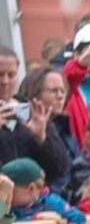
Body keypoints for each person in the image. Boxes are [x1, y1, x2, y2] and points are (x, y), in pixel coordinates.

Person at [2, 55, 72, 186]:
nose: (5, 81)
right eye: (0, 75)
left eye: (11, 75)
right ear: (36, 92)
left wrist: (41, 138)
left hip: (34, 199)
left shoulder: (32, 113)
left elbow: (59, 169)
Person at [2, 157, 87, 224]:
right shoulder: (5, 205)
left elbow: (78, 216)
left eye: (11, 191)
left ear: (31, 188)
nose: (5, 195)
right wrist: (33, 219)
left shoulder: (50, 202)